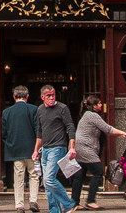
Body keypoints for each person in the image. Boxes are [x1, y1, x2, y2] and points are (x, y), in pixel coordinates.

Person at [70, 94, 126, 211]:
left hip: (80, 148)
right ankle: (91, 201)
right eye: (98, 103)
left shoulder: (85, 115)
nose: (100, 105)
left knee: (79, 176)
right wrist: (124, 133)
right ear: (93, 106)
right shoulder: (92, 116)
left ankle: (74, 202)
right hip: (86, 149)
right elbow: (108, 129)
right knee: (98, 172)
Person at [32, 84, 76, 213]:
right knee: (47, 184)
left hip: (58, 147)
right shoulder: (39, 110)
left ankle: (68, 204)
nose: (51, 98)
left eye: (53, 95)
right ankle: (54, 210)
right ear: (42, 97)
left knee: (49, 179)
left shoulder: (62, 108)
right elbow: (39, 132)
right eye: (48, 96)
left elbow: (70, 127)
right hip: (45, 149)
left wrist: (72, 147)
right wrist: (36, 150)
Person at [2, 85, 40, 213]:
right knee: (34, 175)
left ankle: (19, 205)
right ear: (27, 96)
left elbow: (4, 133)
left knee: (18, 178)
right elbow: (38, 130)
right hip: (32, 149)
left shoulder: (6, 112)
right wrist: (38, 147)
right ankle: (33, 201)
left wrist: (9, 143)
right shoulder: (34, 109)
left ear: (14, 97)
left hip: (15, 149)